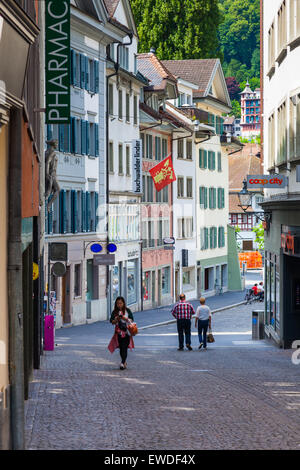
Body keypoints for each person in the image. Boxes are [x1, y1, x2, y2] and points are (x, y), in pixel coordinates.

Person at [108, 296, 134, 370]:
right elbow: (111, 321)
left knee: (124, 347)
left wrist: (125, 318)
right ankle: (124, 362)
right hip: (119, 333)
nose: (119, 305)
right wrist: (116, 319)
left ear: (123, 303)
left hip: (127, 332)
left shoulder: (127, 311)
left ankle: (122, 363)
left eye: (120, 303)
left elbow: (132, 320)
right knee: (121, 348)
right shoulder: (115, 312)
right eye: (118, 303)